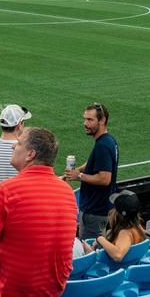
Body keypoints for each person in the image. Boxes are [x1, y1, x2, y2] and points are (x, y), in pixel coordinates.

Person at [0, 127, 77, 297]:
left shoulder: (6, 190)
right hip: (51, 291)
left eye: (18, 143)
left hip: (8, 291)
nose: (13, 147)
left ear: (30, 154)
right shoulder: (67, 192)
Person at [64, 103, 118, 240]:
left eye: (90, 120)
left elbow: (105, 179)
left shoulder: (103, 146)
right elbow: (94, 162)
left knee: (89, 250)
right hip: (101, 209)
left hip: (95, 211)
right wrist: (77, 170)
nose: (85, 123)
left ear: (102, 120)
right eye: (85, 119)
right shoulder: (109, 140)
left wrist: (79, 176)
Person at [85, 193, 146, 262]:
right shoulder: (138, 227)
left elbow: (118, 256)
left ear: (117, 214)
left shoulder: (125, 233)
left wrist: (100, 239)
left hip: (117, 270)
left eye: (114, 208)